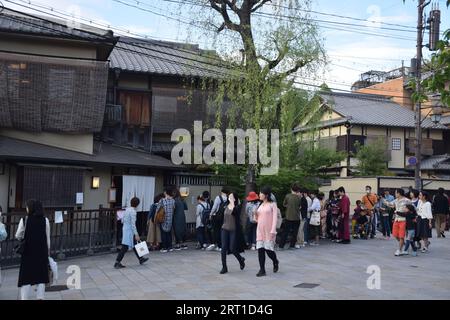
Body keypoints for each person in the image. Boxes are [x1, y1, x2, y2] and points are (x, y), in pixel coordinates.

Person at [16, 200, 50, 300]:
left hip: (28, 252)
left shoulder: (25, 220)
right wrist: (48, 252)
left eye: (27, 207)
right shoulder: (45, 220)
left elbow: (18, 235)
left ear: (30, 208)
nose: (26, 209)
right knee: (41, 277)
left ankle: (24, 298)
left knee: (26, 277)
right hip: (41, 252)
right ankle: (40, 298)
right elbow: (47, 238)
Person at [115, 197, 149, 268]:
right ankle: (117, 262)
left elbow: (122, 220)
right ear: (137, 204)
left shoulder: (127, 209)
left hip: (125, 228)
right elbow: (133, 224)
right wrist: (136, 234)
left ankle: (141, 258)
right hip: (130, 230)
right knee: (125, 247)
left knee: (133, 244)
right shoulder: (133, 212)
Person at [254, 186, 279, 277]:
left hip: (269, 231)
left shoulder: (273, 205)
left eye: (261, 193)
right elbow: (257, 219)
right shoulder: (259, 205)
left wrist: (273, 230)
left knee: (268, 250)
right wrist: (255, 214)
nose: (259, 195)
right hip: (260, 230)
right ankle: (262, 269)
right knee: (260, 250)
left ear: (266, 195)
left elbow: (275, 219)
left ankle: (275, 261)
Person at [219, 192, 246, 274]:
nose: (229, 198)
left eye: (231, 197)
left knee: (232, 248)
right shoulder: (224, 205)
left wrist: (234, 204)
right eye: (229, 196)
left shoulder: (237, 207)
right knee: (223, 248)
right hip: (224, 229)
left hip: (233, 230)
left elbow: (235, 212)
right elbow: (220, 215)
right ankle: (224, 267)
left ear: (234, 199)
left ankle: (241, 259)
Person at [279, 184, 301, 250]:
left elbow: (284, 204)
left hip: (288, 216)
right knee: (295, 232)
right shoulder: (299, 197)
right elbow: (300, 206)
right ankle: (292, 246)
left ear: (291, 189)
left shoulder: (287, 196)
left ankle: (281, 246)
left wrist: (288, 206)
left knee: (285, 232)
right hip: (296, 217)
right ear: (297, 190)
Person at [391, 189, 411, 256]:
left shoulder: (407, 200)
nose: (395, 194)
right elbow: (390, 204)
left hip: (403, 219)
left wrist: (408, 213)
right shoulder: (395, 200)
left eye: (395, 193)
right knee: (395, 235)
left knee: (401, 236)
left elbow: (413, 208)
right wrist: (383, 200)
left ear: (399, 193)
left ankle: (400, 250)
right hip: (396, 219)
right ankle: (403, 244)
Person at [157, 188, 176, 253]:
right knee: (169, 233)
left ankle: (164, 247)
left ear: (166, 193)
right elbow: (174, 208)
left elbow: (158, 209)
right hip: (170, 219)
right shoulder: (173, 201)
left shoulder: (162, 200)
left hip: (163, 219)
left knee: (163, 234)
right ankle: (170, 247)